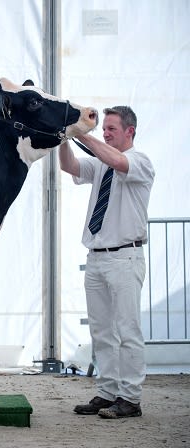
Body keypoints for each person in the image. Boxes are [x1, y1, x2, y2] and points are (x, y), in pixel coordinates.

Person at [59, 106, 155, 419]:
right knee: (102, 331)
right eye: (105, 129)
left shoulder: (138, 161)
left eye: (112, 128)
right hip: (97, 258)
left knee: (127, 330)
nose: (106, 133)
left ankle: (131, 398)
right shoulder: (101, 163)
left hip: (125, 257)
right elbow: (70, 166)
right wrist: (63, 136)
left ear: (131, 131)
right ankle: (109, 391)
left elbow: (115, 160)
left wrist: (81, 133)